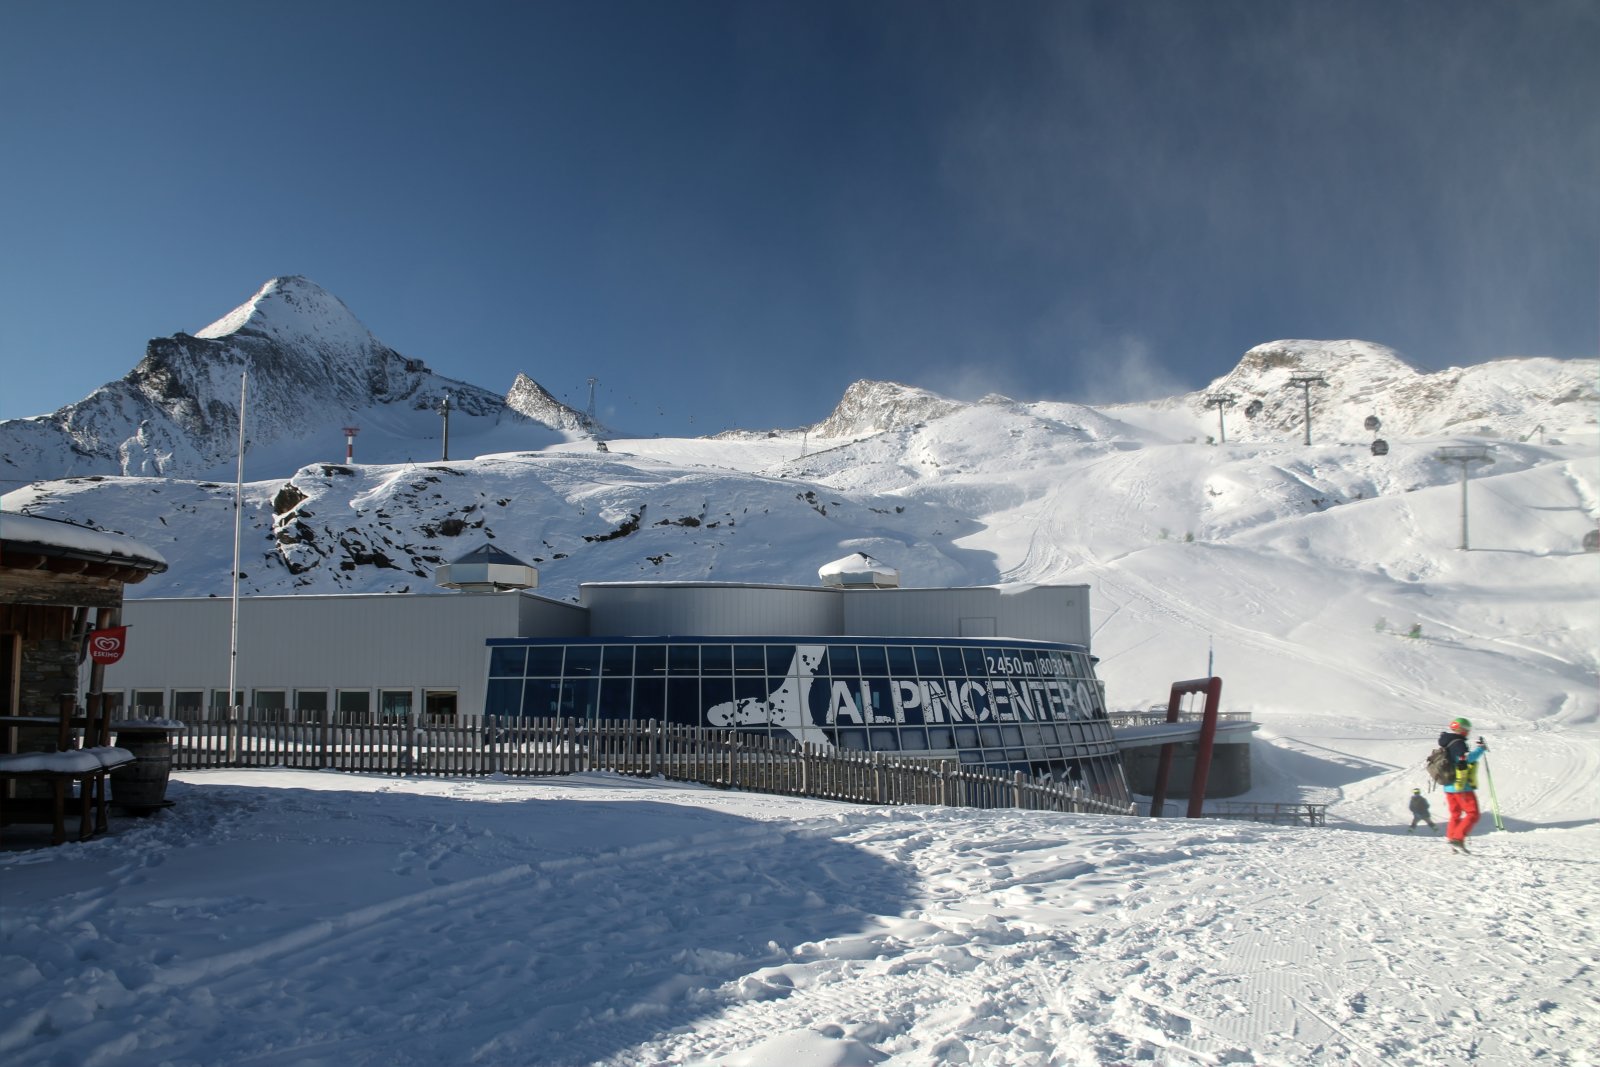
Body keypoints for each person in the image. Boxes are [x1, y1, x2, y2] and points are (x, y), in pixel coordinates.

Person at [1439, 717, 1488, 852]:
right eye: (1467, 730)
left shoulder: (1446, 741)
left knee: (1455, 814)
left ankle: (1451, 839)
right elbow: (1465, 759)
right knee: (1473, 813)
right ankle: (1458, 839)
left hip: (1448, 785)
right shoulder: (1458, 743)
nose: (1467, 733)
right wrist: (1480, 749)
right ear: (1461, 729)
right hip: (1461, 785)